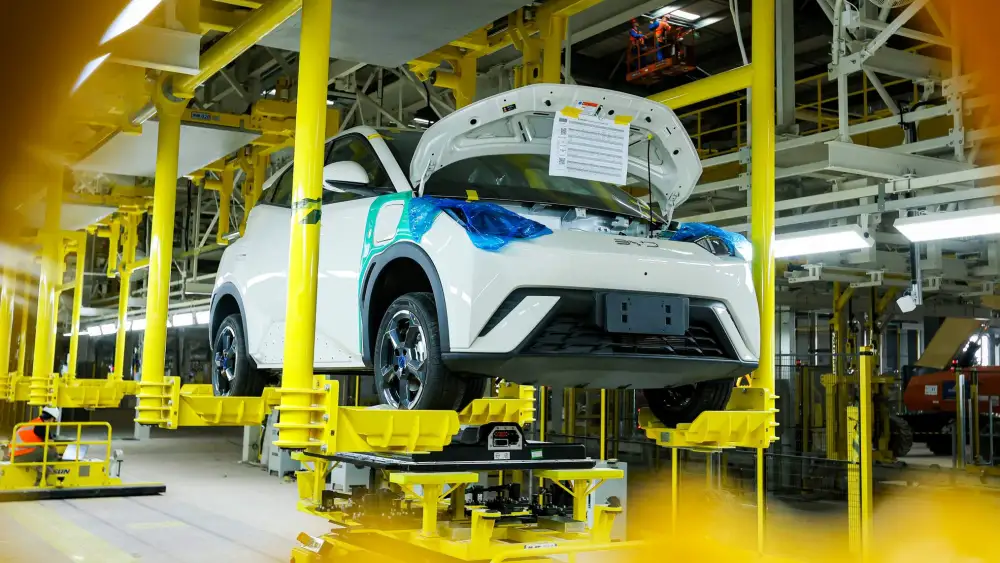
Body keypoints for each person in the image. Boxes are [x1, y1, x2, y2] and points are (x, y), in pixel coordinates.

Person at [11, 407, 61, 484]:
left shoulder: (35, 422)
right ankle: (41, 480)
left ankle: (38, 467)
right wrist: (58, 455)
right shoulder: (41, 426)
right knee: (52, 454)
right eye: (54, 420)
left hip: (14, 454)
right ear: (51, 418)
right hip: (20, 456)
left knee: (43, 450)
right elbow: (51, 444)